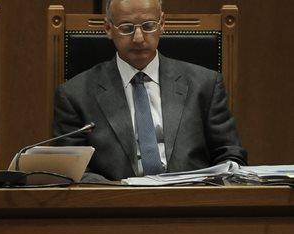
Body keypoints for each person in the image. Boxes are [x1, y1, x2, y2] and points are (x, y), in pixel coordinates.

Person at [52, 0, 248, 182]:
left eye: (148, 26)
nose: (138, 38)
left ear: (162, 24)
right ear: (108, 28)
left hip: (192, 200)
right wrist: (118, 193)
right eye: (127, 28)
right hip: (113, 202)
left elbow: (230, 155)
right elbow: (71, 170)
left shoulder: (204, 84)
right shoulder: (75, 95)